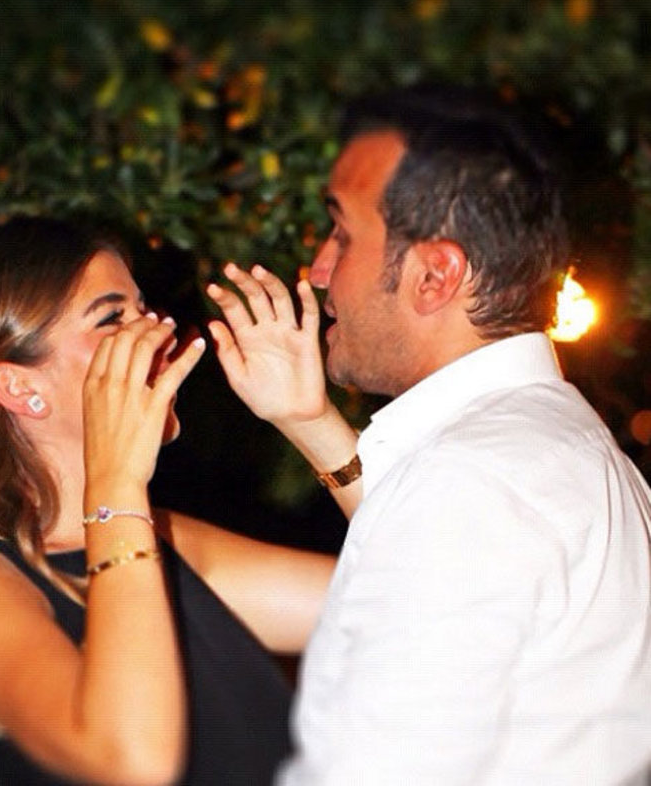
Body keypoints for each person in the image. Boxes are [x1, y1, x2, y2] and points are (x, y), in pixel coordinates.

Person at [208, 87, 651, 784]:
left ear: (435, 275)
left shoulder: (468, 485)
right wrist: (305, 419)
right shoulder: (551, 444)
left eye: (341, 235)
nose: (317, 270)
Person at [0, 216, 344, 786]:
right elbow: (130, 761)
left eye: (144, 310)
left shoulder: (168, 541)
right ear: (21, 387)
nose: (158, 332)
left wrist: (311, 423)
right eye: (113, 318)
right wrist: (116, 483)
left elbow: (409, 601)